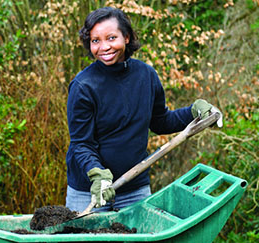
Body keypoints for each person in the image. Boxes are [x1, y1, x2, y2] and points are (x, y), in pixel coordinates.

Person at [65, 7, 222, 213]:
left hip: (134, 190)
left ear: (127, 37)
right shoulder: (83, 86)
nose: (104, 47)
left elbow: (161, 121)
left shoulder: (146, 75)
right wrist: (98, 176)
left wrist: (193, 112)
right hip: (90, 191)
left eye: (111, 38)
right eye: (96, 41)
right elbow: (81, 143)